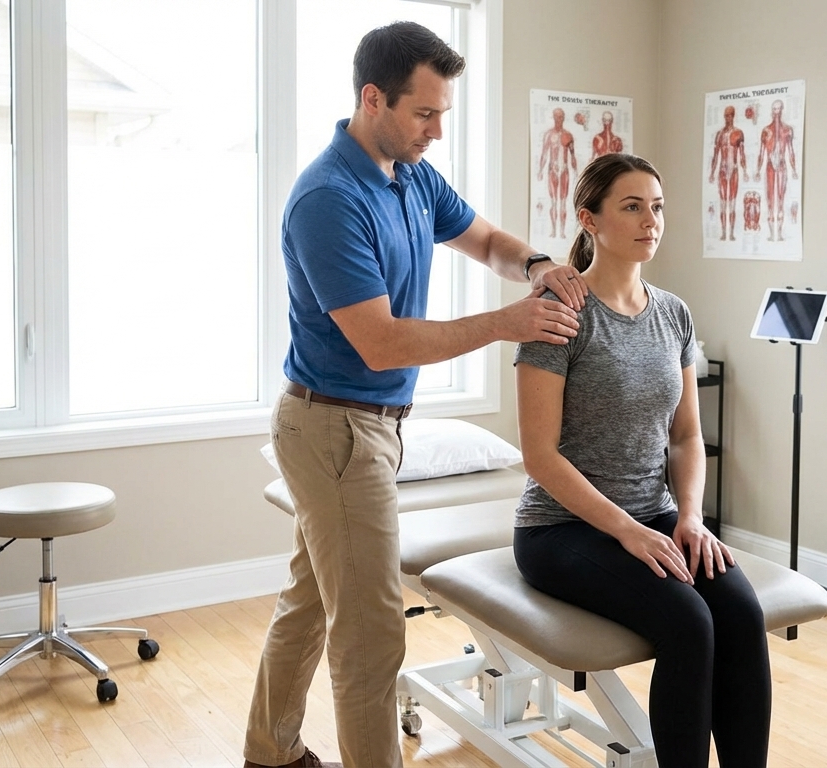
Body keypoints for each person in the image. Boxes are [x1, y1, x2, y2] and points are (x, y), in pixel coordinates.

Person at [244, 21, 589, 768]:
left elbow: (486, 239)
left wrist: (533, 264)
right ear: (374, 100)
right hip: (333, 430)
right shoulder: (328, 199)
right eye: (424, 114)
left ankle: (266, 753)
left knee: (308, 605)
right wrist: (508, 322)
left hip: (367, 424)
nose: (436, 131)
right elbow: (383, 342)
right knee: (370, 637)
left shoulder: (411, 175)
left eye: (443, 114)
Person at [513, 154, 772, 768]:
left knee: (739, 612)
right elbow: (539, 456)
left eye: (656, 207)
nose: (650, 220)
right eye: (631, 206)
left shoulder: (673, 314)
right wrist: (627, 531)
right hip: (561, 528)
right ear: (589, 219)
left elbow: (685, 436)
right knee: (688, 622)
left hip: (655, 516)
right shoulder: (559, 317)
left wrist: (689, 516)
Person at [756, 98, 799, 241]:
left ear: (782, 110)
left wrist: (794, 169)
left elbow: (791, 151)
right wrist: (757, 170)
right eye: (774, 109)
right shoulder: (766, 131)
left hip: (781, 166)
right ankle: (771, 233)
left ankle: (779, 234)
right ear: (771, 111)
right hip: (769, 166)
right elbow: (761, 152)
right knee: (770, 199)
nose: (776, 112)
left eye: (779, 109)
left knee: (780, 199)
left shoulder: (787, 130)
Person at [537, 106, 578, 238]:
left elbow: (572, 155)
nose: (558, 119)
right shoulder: (548, 135)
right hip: (553, 169)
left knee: (563, 202)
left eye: (561, 117)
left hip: (564, 170)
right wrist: (540, 170)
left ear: (563, 118)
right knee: (554, 201)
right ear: (553, 118)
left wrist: (576, 171)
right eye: (556, 116)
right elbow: (544, 154)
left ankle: (562, 232)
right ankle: (554, 231)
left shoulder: (568, 135)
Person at [708, 104, 748, 241]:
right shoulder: (719, 135)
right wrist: (712, 173)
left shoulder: (738, 133)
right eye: (726, 115)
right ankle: (724, 232)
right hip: (723, 171)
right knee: (723, 203)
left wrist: (746, 171)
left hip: (734, 171)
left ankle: (731, 233)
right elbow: (715, 155)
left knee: (732, 203)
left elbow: (742, 154)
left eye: (730, 115)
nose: (727, 118)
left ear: (733, 116)